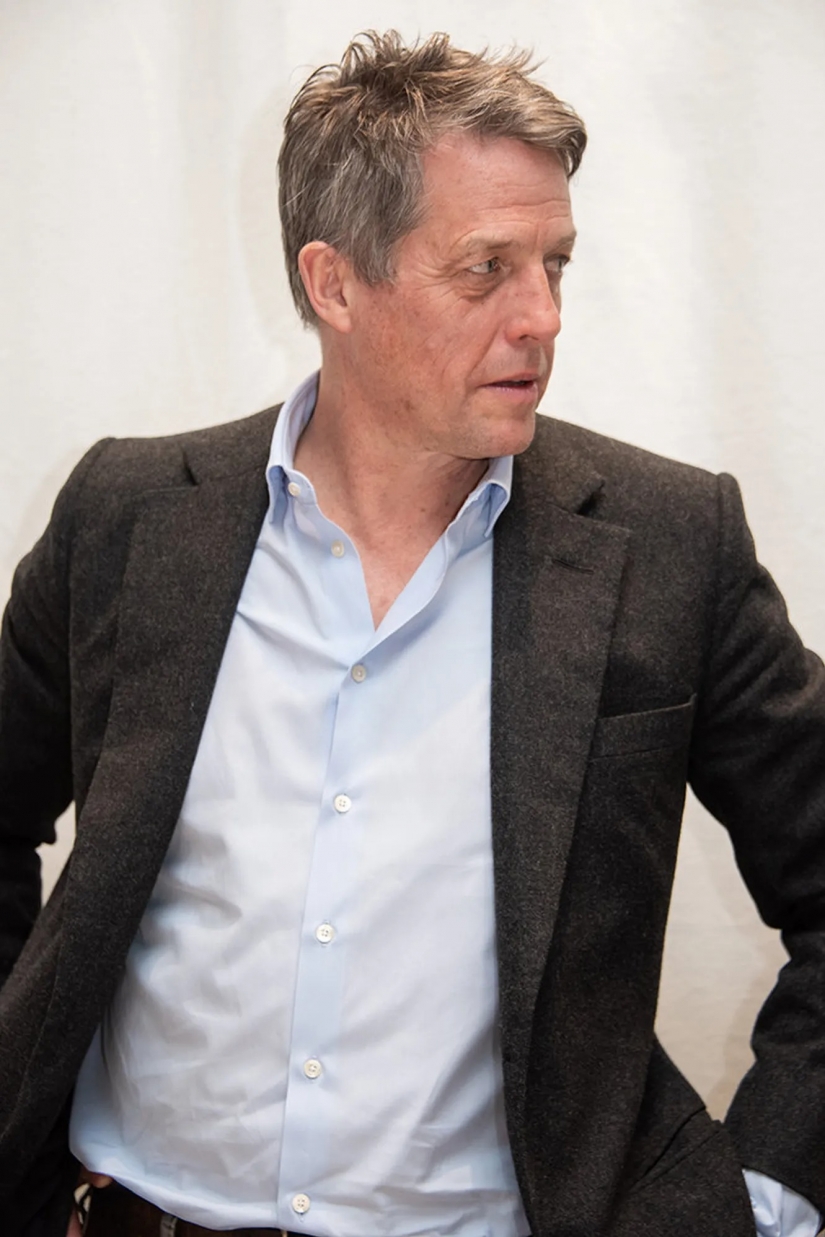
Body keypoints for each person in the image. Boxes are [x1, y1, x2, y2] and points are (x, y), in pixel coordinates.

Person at [0, 28, 823, 1237]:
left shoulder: (666, 544)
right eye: (486, 269)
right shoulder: (128, 519)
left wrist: (764, 1199)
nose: (542, 316)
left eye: (555, 264)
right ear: (334, 283)